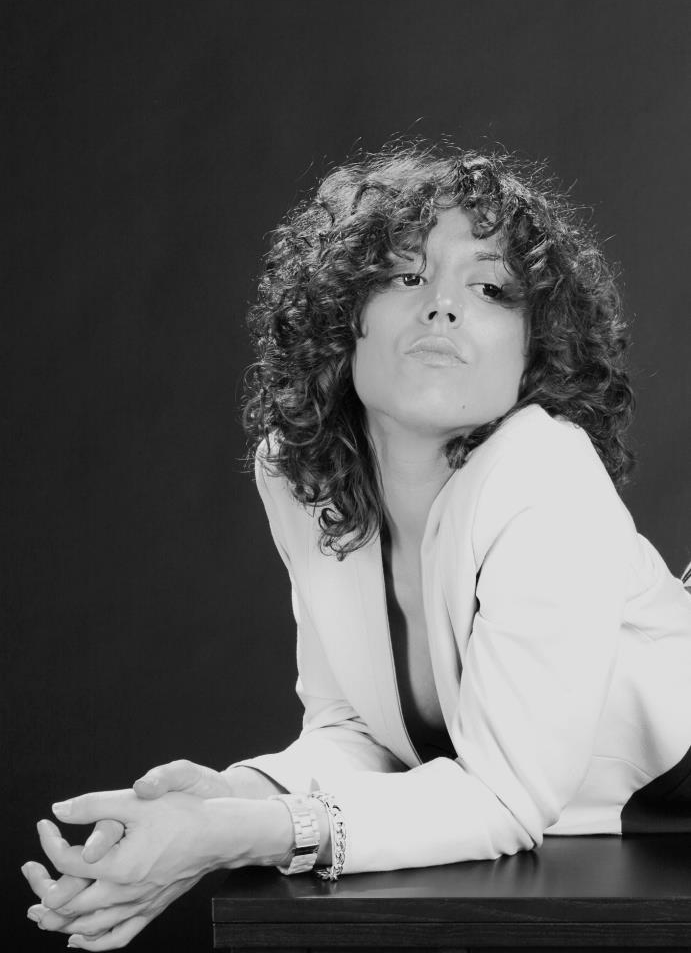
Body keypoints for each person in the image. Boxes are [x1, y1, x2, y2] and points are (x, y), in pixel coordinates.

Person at [22, 141, 691, 950]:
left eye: (488, 289)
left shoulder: (542, 467)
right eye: (406, 276)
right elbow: (356, 732)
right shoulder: (298, 472)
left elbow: (503, 798)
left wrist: (244, 834)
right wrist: (225, 797)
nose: (442, 307)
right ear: (342, 316)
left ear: (531, 352)